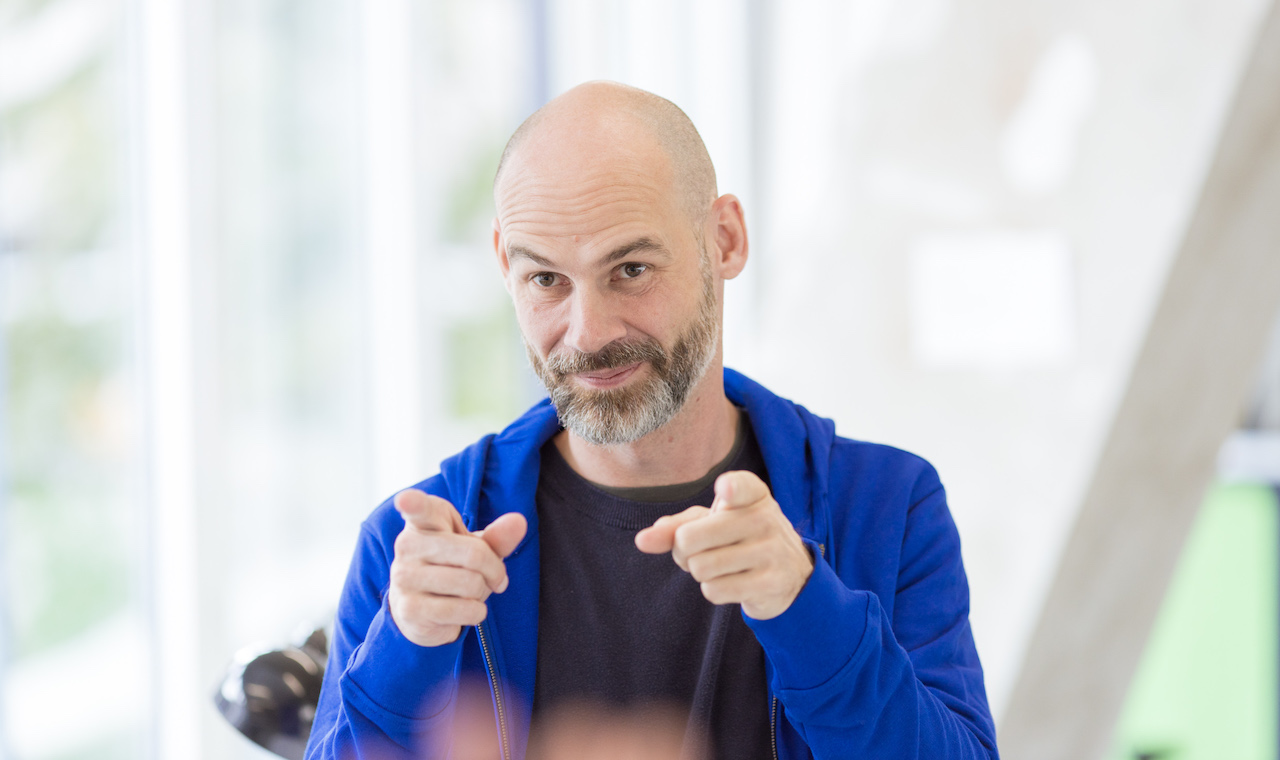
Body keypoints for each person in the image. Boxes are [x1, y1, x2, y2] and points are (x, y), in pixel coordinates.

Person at [305, 81, 998, 760]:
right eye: (546, 280)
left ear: (723, 240)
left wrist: (808, 609)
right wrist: (403, 648)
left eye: (630, 269)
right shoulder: (415, 547)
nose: (588, 333)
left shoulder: (885, 508)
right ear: (504, 267)